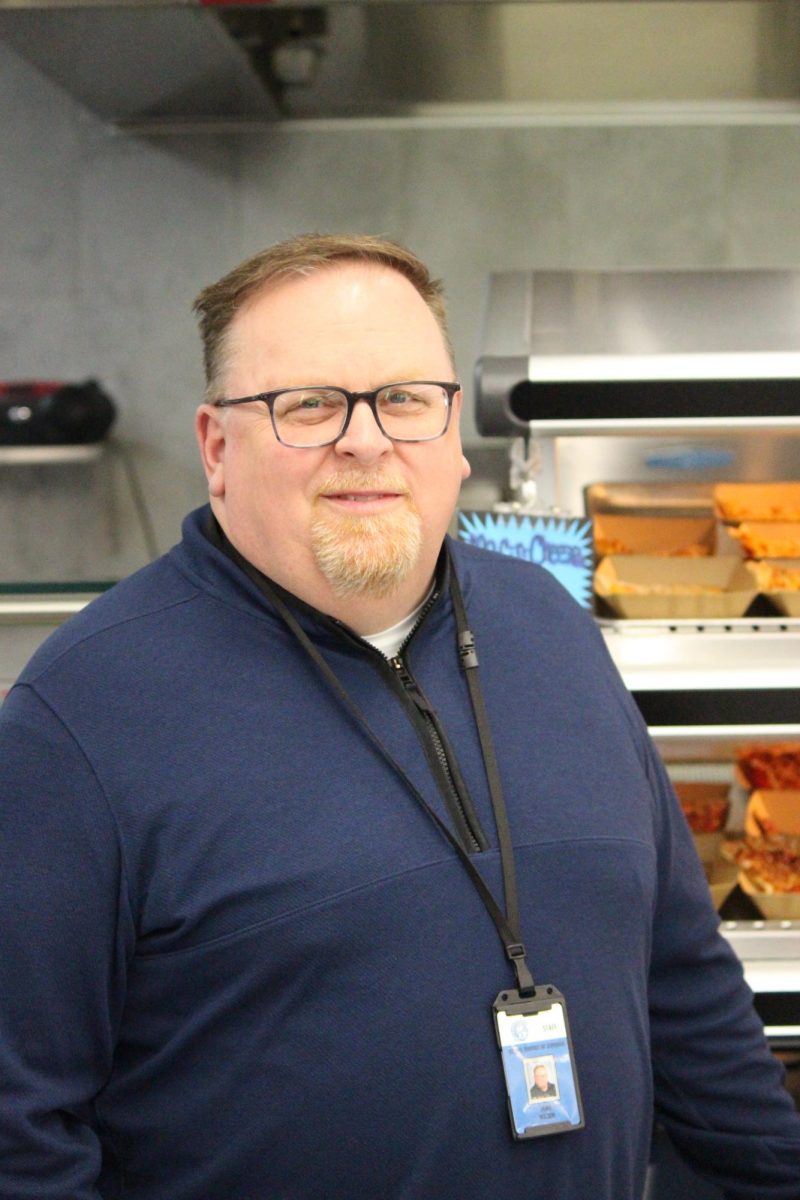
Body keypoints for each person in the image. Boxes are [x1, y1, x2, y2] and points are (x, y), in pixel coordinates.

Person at [0, 233, 798, 1200]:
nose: (366, 440)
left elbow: (683, 985)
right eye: (309, 405)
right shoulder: (82, 715)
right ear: (216, 447)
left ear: (454, 433)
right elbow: (22, 1123)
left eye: (406, 400)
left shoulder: (550, 627)